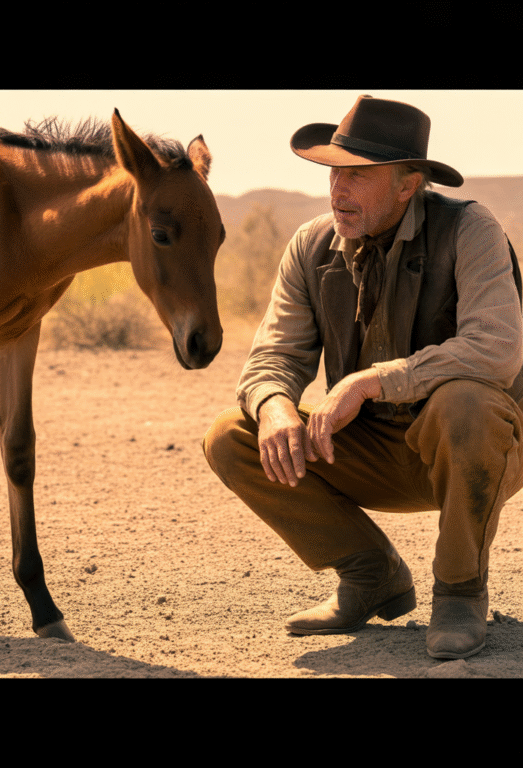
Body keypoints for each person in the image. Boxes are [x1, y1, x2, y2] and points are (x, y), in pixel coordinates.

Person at [203, 94, 523, 660]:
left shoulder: (470, 229)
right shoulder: (311, 244)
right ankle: (372, 575)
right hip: (371, 449)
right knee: (233, 435)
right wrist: (274, 404)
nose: (337, 188)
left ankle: (460, 591)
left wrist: (370, 381)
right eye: (333, 172)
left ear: (408, 184)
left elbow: (496, 348)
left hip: (477, 446)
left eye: (357, 174)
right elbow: (273, 355)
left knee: (466, 403)